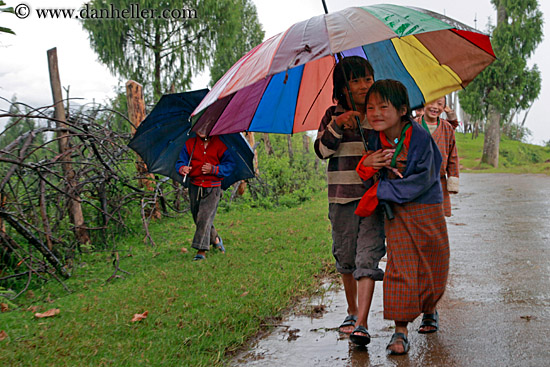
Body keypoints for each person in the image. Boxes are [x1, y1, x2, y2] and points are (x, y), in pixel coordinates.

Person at [355, 80, 449, 355]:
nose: (375, 114)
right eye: (370, 108)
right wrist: (368, 164)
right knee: (400, 264)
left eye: (383, 107)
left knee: (435, 260)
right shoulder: (373, 137)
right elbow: (366, 171)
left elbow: (426, 177)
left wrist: (384, 188)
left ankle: (430, 307)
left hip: (425, 205)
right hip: (395, 210)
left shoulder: (419, 136)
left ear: (402, 109)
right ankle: (400, 331)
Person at [314, 56, 386, 346]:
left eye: (367, 78)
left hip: (373, 199)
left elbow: (392, 146)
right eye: (355, 80)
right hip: (342, 200)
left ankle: (362, 322)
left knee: (368, 256)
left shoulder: (379, 113)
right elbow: (321, 151)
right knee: (346, 257)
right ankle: (351, 310)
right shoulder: (332, 115)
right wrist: (338, 124)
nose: (363, 85)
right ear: (342, 87)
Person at [175, 132, 235, 261]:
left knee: (204, 217)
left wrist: (214, 169)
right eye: (199, 127)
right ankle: (216, 239)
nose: (202, 130)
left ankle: (201, 250)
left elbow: (229, 165)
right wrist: (182, 168)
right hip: (195, 186)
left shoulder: (219, 144)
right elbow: (180, 162)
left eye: (206, 127)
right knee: (198, 218)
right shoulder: (190, 144)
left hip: (212, 188)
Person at [416, 96, 459, 218]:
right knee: (418, 217)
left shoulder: (447, 128)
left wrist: (453, 178)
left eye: (439, 104)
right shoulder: (413, 125)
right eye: (431, 102)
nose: (435, 107)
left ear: (443, 108)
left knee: (437, 218)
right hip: (416, 180)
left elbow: (453, 156)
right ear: (423, 103)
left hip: (439, 181)